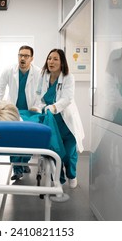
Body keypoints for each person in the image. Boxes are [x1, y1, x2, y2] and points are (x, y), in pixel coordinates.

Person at [32, 48, 85, 188]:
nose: (51, 61)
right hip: (51, 121)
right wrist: (39, 107)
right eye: (49, 58)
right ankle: (58, 180)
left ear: (62, 62)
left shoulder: (68, 77)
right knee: (54, 152)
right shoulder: (43, 75)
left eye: (55, 59)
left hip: (66, 122)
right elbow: (38, 95)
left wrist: (54, 107)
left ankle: (71, 175)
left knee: (68, 154)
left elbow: (67, 98)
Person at [0, 45, 41, 180]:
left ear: (32, 58)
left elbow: (41, 92)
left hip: (31, 111)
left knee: (28, 138)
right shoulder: (9, 70)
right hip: (13, 111)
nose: (23, 58)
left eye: (26, 56)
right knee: (14, 139)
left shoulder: (38, 72)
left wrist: (37, 107)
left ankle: (24, 162)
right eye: (20, 55)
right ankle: (17, 168)